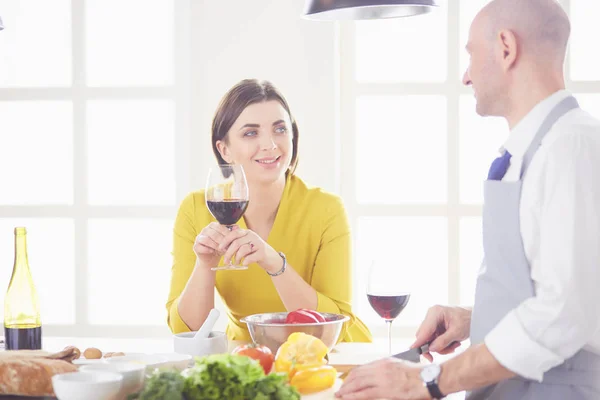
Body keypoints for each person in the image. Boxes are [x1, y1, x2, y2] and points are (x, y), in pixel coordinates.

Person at [336, 0, 600, 399]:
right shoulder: (537, 149)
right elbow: (561, 291)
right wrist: (477, 320)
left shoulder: (571, 147)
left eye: (472, 55)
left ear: (506, 48)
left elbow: (564, 315)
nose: (465, 76)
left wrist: (425, 380)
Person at [166, 78, 372, 343]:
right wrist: (205, 265)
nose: (270, 144)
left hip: (331, 357)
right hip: (249, 359)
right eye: (251, 133)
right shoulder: (196, 209)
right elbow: (187, 331)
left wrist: (274, 263)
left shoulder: (326, 210)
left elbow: (334, 324)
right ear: (224, 149)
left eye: (280, 129)